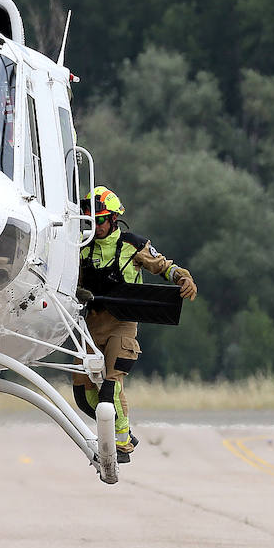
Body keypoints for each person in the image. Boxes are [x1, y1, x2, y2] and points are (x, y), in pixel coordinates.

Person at [70, 186, 197, 463]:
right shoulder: (78, 244)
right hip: (90, 323)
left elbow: (163, 266)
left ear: (113, 219)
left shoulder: (133, 245)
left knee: (110, 386)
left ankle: (122, 442)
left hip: (122, 322)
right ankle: (120, 429)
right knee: (84, 396)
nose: (96, 226)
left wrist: (182, 278)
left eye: (101, 220)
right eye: (90, 221)